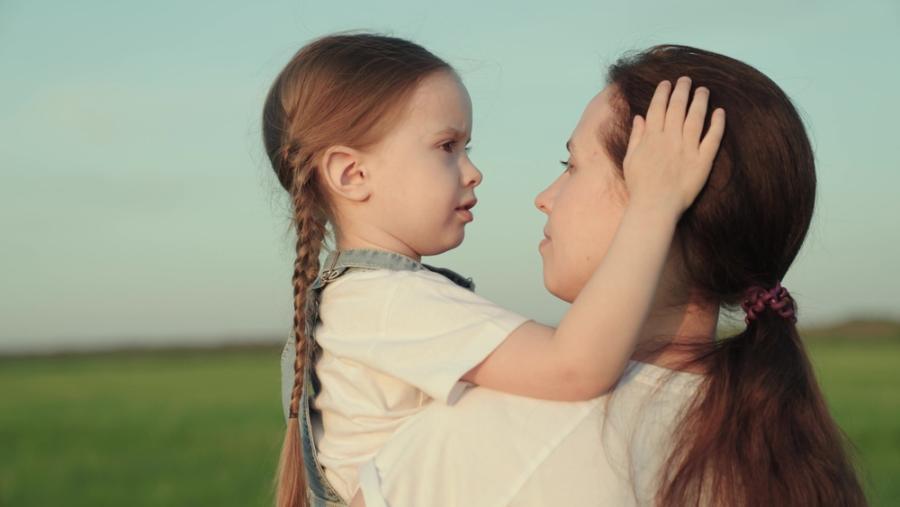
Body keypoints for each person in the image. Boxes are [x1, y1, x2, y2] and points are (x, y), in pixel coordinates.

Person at [351, 45, 867, 507]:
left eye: (571, 164)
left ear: (661, 192)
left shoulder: (497, 435)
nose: (545, 196)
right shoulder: (774, 446)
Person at [262, 34, 724, 506]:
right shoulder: (387, 301)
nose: (473, 171)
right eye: (447, 146)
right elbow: (574, 367)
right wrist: (654, 204)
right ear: (352, 174)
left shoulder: (371, 299)